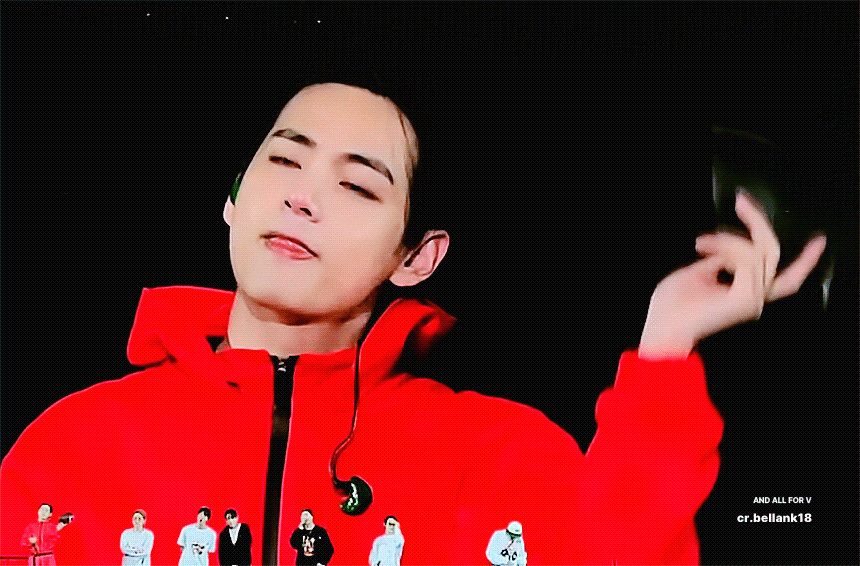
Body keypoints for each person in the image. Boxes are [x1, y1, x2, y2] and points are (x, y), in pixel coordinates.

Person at [0, 78, 827, 565]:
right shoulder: (70, 447)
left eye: (358, 185)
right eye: (283, 159)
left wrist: (666, 353)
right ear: (233, 201)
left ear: (417, 257)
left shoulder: (500, 456)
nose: (302, 196)